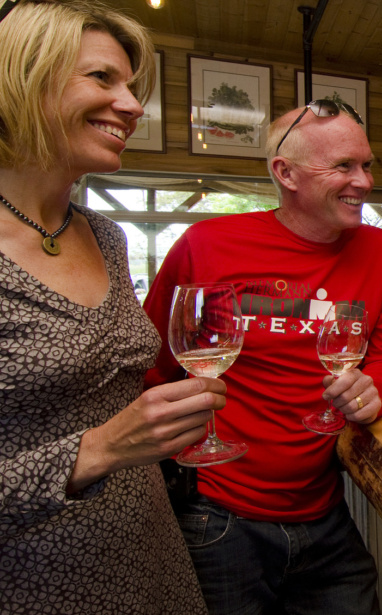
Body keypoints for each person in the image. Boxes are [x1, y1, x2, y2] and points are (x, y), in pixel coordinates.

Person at [0, 1, 227, 613]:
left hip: (151, 553)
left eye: (131, 85)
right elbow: (109, 438)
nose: (131, 105)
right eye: (102, 79)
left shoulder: (104, 235)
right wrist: (99, 450)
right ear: (21, 78)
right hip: (41, 584)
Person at [142, 102, 382, 614]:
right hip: (220, 517)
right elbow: (151, 363)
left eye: (367, 165)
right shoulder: (207, 244)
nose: (364, 181)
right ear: (284, 173)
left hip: (327, 509)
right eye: (343, 166)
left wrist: (375, 387)